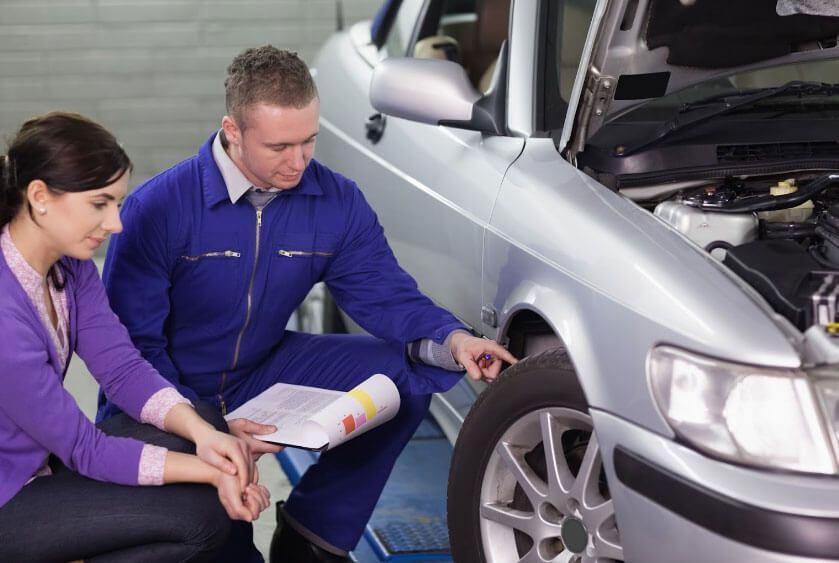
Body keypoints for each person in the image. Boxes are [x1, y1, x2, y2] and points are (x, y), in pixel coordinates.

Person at [99, 45, 517, 563]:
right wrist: (206, 426)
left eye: (309, 141)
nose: (298, 162)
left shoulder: (335, 200)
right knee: (219, 540)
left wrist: (454, 341)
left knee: (399, 379)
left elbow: (383, 292)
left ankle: (313, 535)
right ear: (232, 131)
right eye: (279, 147)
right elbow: (132, 348)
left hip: (262, 368)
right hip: (168, 392)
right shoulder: (157, 209)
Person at [0, 112, 271, 562]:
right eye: (100, 204)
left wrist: (207, 439)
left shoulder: (70, 267)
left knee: (202, 420)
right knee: (200, 518)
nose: (116, 224)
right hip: (9, 497)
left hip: (41, 465)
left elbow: (123, 371)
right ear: (39, 196)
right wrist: (215, 473)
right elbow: (86, 449)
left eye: (117, 204)